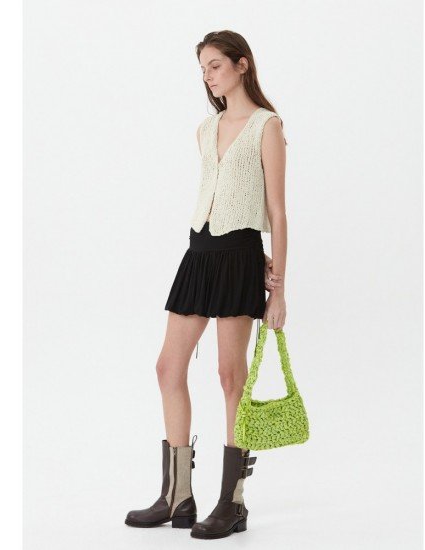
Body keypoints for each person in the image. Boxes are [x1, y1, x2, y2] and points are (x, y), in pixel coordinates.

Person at [125, 30, 287, 539]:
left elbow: (277, 210)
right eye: (202, 68)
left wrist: (278, 288)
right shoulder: (206, 127)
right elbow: (218, 193)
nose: (208, 76)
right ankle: (178, 495)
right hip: (198, 253)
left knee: (229, 375)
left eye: (215, 65)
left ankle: (232, 503)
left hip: (238, 258)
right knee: (168, 367)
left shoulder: (267, 126)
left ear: (242, 65)